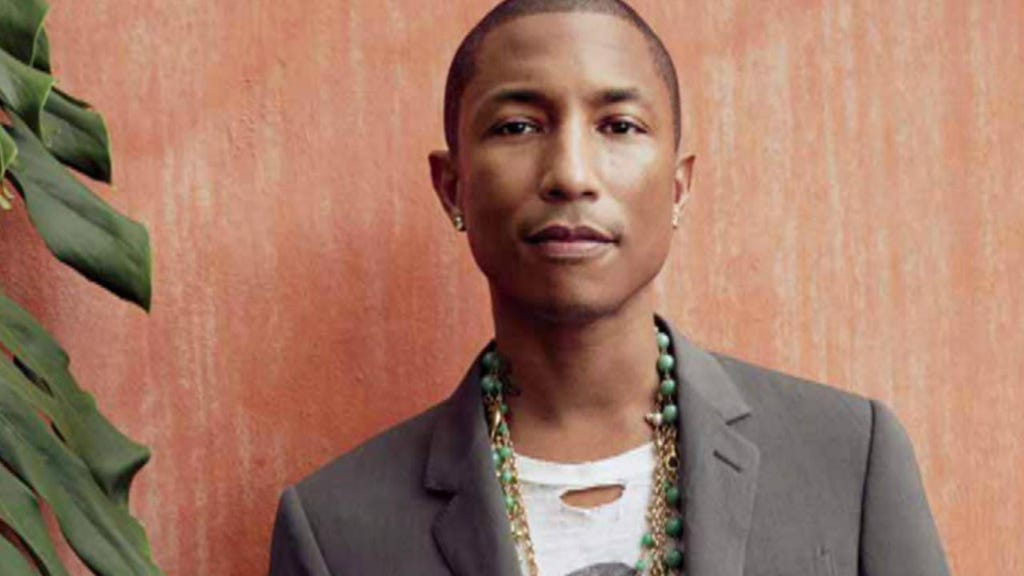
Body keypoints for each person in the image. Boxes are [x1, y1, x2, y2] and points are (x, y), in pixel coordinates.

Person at [269, 1, 951, 574]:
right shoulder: (337, 530)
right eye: (517, 127)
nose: (571, 173)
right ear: (453, 188)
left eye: (619, 126)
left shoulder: (847, 460)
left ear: (678, 187)